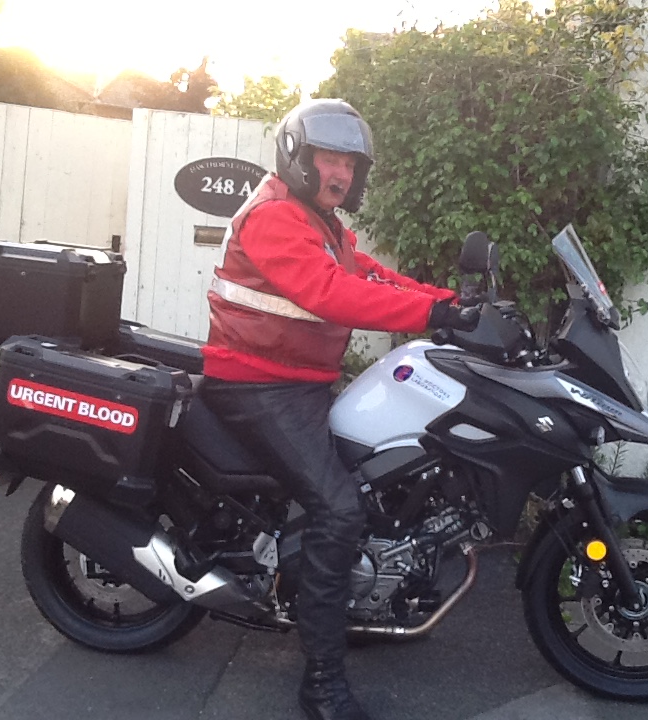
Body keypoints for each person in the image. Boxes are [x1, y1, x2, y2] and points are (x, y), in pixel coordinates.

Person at [198, 99, 478, 720]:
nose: (341, 174)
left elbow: (368, 275)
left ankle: (363, 604)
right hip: (257, 388)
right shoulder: (274, 217)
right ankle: (321, 682)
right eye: (330, 159)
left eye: (350, 164)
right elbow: (329, 292)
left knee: (373, 481)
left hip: (294, 383)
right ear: (298, 158)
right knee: (338, 508)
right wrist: (434, 314)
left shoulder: (320, 223)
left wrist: (454, 306)